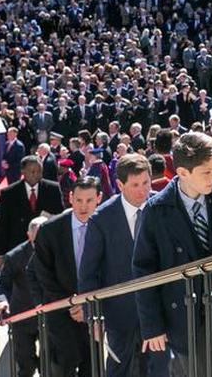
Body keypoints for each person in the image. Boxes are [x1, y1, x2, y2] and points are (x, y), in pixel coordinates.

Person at [133, 132, 212, 377]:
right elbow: (143, 268)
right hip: (180, 313)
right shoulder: (156, 210)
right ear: (182, 172)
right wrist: (152, 326)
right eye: (206, 172)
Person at [78, 154, 166, 377]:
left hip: (159, 311)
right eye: (135, 185)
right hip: (120, 315)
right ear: (119, 184)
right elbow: (88, 273)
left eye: (146, 182)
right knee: (120, 371)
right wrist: (93, 318)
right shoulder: (101, 219)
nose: (143, 190)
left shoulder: (163, 207)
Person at [29, 175, 102, 376]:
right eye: (78, 200)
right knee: (63, 364)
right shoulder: (50, 230)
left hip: (95, 309)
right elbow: (43, 274)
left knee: (93, 363)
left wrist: (88, 305)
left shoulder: (106, 225)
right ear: (70, 198)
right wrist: (72, 304)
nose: (83, 206)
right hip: (60, 310)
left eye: (89, 200)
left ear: (99, 198)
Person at [0, 215, 48, 377]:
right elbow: (0, 283)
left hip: (49, 315)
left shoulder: (57, 248)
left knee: (51, 363)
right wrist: (2, 301)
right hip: (23, 316)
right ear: (29, 236)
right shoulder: (15, 256)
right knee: (26, 364)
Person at [0, 155, 63, 270]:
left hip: (46, 247)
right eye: (32, 171)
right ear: (23, 171)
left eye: (39, 171)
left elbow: (60, 219)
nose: (36, 174)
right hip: (19, 247)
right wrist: (0, 253)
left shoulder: (53, 189)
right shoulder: (8, 193)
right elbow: (2, 225)